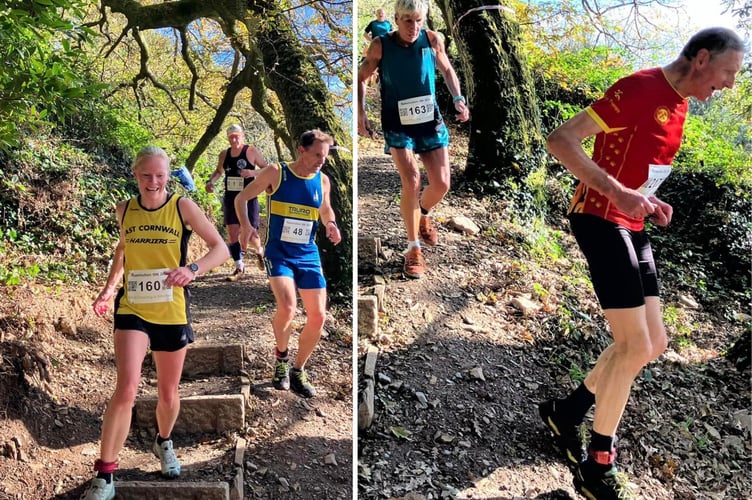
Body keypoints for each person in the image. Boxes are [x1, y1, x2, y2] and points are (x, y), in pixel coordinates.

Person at [540, 27, 744, 499]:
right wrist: (614, 191)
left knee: (652, 344)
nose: (730, 84)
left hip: (632, 224)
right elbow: (561, 139)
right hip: (597, 216)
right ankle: (597, 465)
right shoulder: (639, 88)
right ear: (702, 58)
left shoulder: (681, 104)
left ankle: (566, 412)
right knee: (632, 346)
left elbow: (640, 170)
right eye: (728, 73)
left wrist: (649, 202)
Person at [82, 146, 230, 500]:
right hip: (133, 306)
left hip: (171, 308)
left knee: (168, 393)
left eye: (160, 175)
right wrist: (108, 290)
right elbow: (123, 250)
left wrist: (192, 269)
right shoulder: (124, 210)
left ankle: (164, 442)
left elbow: (220, 247)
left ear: (168, 176)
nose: (153, 182)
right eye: (146, 175)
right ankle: (105, 473)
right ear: (136, 175)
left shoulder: (182, 207)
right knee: (128, 387)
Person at [358, 0, 469, 280]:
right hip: (398, 124)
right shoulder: (381, 45)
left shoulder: (433, 39)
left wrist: (457, 98)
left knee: (442, 184)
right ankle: (413, 248)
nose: (414, 27)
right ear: (396, 19)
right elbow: (360, 78)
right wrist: (360, 115)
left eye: (418, 20)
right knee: (412, 181)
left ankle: (423, 212)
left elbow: (446, 69)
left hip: (430, 121)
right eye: (408, 20)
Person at [234, 129, 341, 398]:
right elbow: (241, 198)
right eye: (317, 154)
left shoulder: (323, 180)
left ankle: (298, 369)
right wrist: (246, 225)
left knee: (318, 316)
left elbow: (325, 208)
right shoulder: (275, 172)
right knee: (288, 306)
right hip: (279, 253)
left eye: (325, 156)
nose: (321, 160)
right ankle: (281, 358)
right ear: (301, 150)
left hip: (308, 253)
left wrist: (330, 224)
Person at [206, 124, 271, 281]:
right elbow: (219, 171)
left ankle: (259, 251)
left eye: (237, 136)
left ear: (242, 136)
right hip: (231, 197)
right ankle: (239, 266)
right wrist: (211, 182)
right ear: (228, 138)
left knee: (250, 233)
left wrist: (252, 172)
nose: (234, 139)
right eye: (231, 136)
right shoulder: (224, 154)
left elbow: (267, 169)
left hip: (249, 196)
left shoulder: (251, 151)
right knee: (232, 232)